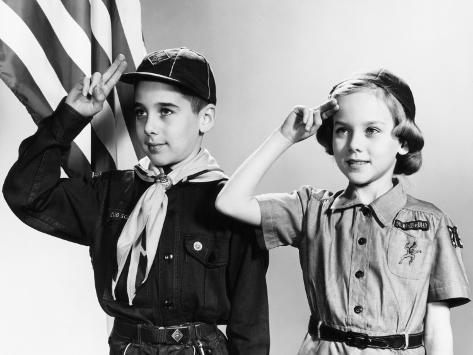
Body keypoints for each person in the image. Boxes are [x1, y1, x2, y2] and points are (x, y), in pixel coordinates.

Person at [3, 47, 269, 355]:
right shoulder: (111, 194)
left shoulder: (230, 204)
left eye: (166, 111)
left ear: (205, 118)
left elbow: (250, 326)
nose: (149, 127)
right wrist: (70, 117)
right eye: (141, 112)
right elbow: (27, 195)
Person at [215, 69, 470, 354]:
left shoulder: (431, 224)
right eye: (342, 130)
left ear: (403, 141)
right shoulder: (311, 209)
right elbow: (230, 202)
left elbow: (437, 329)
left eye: (371, 130)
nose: (354, 145)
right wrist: (284, 136)